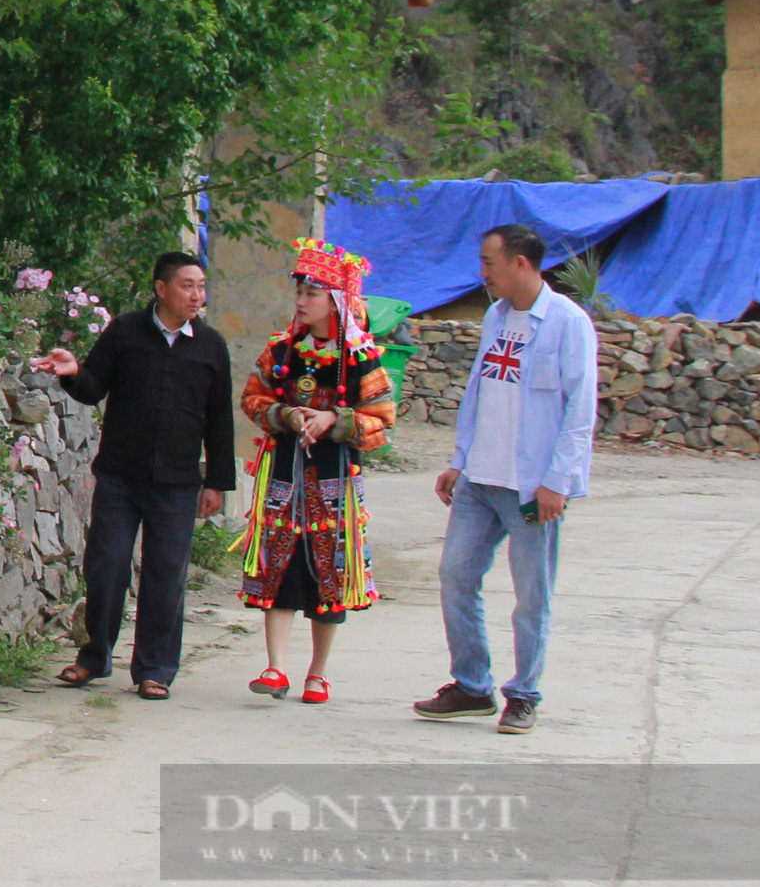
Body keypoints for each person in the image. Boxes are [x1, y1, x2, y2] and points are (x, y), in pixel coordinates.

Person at [414, 223, 598, 735]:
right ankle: (472, 686)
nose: (482, 274)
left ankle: (524, 693)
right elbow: (481, 393)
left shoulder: (567, 322)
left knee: (531, 593)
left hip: (531, 485)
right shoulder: (496, 317)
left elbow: (579, 411)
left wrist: (558, 481)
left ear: (521, 263)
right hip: (479, 479)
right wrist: (459, 458)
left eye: (489, 263)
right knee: (456, 576)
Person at [32, 252, 233, 700]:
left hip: (178, 484)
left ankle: (155, 669)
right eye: (187, 286)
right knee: (106, 566)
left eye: (201, 286)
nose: (196, 295)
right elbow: (93, 387)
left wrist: (217, 481)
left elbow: (219, 419)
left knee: (166, 576)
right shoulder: (124, 331)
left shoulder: (211, 345)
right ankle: (94, 657)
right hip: (121, 477)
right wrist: (72, 372)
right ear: (161, 289)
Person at [235, 239, 394, 705]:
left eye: (311, 294)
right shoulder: (283, 351)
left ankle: (317, 674)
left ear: (335, 301)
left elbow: (382, 420)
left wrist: (334, 421)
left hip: (334, 481)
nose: (301, 302)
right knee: (278, 565)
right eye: (299, 293)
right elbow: (252, 399)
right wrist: (286, 415)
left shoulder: (362, 357)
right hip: (284, 475)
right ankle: (275, 667)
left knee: (330, 571)